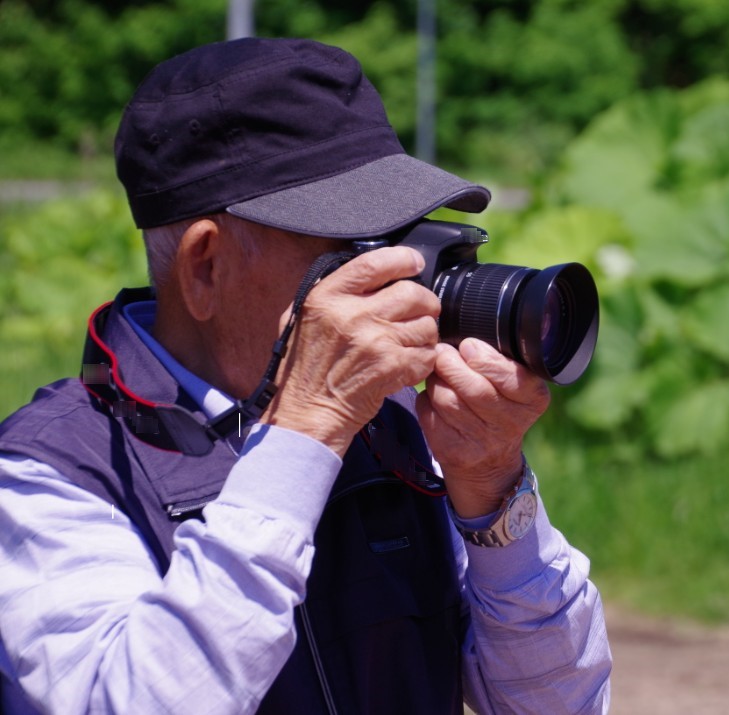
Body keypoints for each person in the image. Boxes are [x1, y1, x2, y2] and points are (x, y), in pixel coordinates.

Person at [0, 37, 611, 714]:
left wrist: (495, 494)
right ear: (206, 267)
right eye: (354, 249)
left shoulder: (397, 432)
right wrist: (304, 434)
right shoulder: (53, 470)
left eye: (404, 233)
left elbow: (560, 704)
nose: (407, 277)